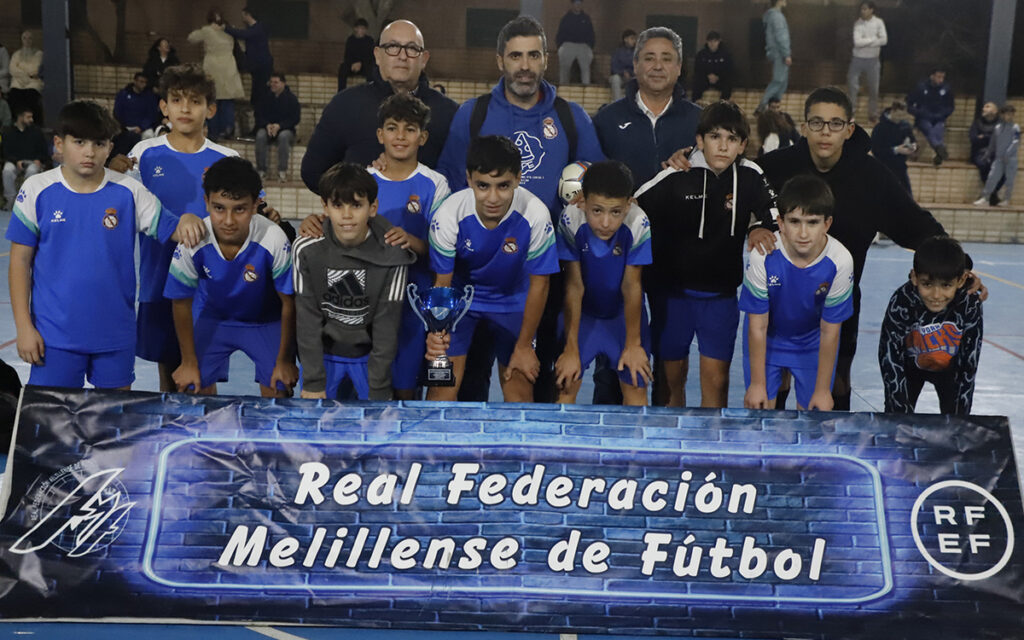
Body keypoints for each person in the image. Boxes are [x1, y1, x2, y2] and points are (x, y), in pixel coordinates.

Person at [757, 86, 985, 411]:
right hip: (783, 298)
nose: (825, 132)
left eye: (835, 123)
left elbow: (915, 223)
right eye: (817, 122)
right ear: (805, 127)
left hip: (840, 300)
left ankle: (834, 440)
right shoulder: (774, 167)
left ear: (849, 129)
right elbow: (732, 186)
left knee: (837, 380)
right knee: (778, 378)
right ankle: (777, 439)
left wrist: (960, 265)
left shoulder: (872, 177)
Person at [435, 15, 604, 403]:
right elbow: (450, 184)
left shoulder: (570, 117)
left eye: (533, 55)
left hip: (542, 272)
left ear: (546, 59)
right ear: (500, 61)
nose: (524, 66)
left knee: (531, 381)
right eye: (515, 56)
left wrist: (587, 197)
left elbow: (596, 183)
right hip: (475, 272)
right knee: (465, 383)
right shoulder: (473, 115)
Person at [5, 100, 204, 389]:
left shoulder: (128, 191)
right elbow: (19, 262)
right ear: (59, 144)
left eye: (98, 143)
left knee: (113, 417)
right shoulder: (37, 189)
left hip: (115, 335)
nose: (89, 152)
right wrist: (24, 327)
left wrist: (187, 219)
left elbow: (172, 227)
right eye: (79, 142)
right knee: (55, 416)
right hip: (54, 336)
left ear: (110, 147)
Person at [297, 93, 451, 400]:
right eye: (393, 128)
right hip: (363, 299)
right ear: (380, 135)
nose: (400, 136)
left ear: (422, 137)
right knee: (359, 385)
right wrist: (313, 222)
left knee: (404, 383)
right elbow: (337, 217)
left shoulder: (436, 184)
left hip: (412, 300)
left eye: (410, 129)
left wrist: (412, 242)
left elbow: (443, 249)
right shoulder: (363, 178)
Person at [634, 101, 777, 408]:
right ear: (700, 140)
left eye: (732, 139)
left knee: (717, 383)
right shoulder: (676, 173)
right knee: (670, 383)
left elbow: (776, 215)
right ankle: (670, 438)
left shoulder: (750, 175)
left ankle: (712, 440)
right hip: (671, 297)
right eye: (715, 137)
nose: (723, 146)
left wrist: (759, 226)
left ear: (742, 145)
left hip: (720, 298)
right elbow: (632, 207)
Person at [117, 63, 240, 392]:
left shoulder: (228, 158)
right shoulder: (143, 154)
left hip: (210, 288)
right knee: (170, 380)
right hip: (158, 282)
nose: (185, 108)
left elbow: (252, 214)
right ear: (164, 106)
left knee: (203, 379)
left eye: (195, 101)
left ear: (210, 109)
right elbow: (121, 207)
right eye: (177, 100)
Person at [425, 135, 559, 403]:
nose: (493, 197)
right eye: (483, 185)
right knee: (440, 386)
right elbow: (442, 283)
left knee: (520, 392)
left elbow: (540, 284)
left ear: (518, 178)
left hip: (514, 302)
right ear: (469, 179)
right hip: (459, 304)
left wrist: (524, 346)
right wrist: (437, 332)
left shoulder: (536, 214)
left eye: (503, 186)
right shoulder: (448, 214)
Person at [165, 156, 297, 398]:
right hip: (213, 318)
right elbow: (180, 302)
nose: (228, 221)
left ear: (256, 205)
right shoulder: (194, 240)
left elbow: (289, 302)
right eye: (219, 208)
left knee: (280, 386)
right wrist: (188, 362)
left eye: (239, 209)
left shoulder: (273, 238)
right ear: (206, 202)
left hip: (264, 321)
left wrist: (285, 360)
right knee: (192, 386)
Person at [293, 162, 415, 401]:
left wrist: (378, 388)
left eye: (356, 205)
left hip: (370, 358)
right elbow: (307, 320)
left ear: (373, 207)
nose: (347, 215)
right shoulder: (306, 249)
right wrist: (313, 381)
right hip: (324, 355)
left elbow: (386, 326)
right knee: (316, 420)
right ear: (325, 207)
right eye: (338, 205)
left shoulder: (394, 254)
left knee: (377, 420)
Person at [741, 175, 854, 411]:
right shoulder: (762, 255)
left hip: (811, 343)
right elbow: (758, 327)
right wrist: (757, 384)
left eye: (812, 222)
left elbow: (830, 330)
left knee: (813, 418)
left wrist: (823, 390)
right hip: (768, 340)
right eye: (794, 221)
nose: (803, 233)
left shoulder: (840, 260)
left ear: (827, 224)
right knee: (760, 412)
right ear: (780, 223)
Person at [302, 20, 457, 191]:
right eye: (392, 47)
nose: (402, 56)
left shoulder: (449, 112)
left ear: (424, 59)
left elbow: (460, 176)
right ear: (377, 55)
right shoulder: (345, 105)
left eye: (412, 48)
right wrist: (360, 187)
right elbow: (313, 171)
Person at [555, 161, 652, 406]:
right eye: (597, 211)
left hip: (623, 319)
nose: (606, 223)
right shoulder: (571, 218)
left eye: (616, 212)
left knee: (636, 385)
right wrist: (570, 348)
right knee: (565, 385)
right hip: (584, 318)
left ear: (628, 205)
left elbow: (631, 286)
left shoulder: (638, 222)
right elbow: (574, 286)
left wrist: (633, 344)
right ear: (582, 201)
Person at [879, 236, 982, 415]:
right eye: (927, 284)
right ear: (914, 277)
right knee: (897, 418)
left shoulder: (969, 304)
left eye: (946, 285)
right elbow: (889, 356)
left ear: (961, 280)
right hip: (908, 367)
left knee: (956, 419)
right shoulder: (902, 300)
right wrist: (899, 412)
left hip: (951, 370)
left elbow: (969, 362)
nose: (936, 295)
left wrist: (960, 416)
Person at [593, 26, 702, 187]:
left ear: (678, 67)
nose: (658, 66)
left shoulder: (701, 120)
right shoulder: (606, 120)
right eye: (649, 58)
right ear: (635, 65)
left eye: (666, 59)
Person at [188, 9, 245, 140]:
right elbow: (242, 45)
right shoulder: (230, 29)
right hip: (228, 66)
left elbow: (191, 38)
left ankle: (213, 131)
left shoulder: (207, 30)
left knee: (212, 100)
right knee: (228, 101)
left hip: (212, 67)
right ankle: (228, 129)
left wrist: (204, 29)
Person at [254, 72, 300, 182]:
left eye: (276, 82)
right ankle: (261, 171)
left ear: (283, 84)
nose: (273, 85)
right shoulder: (264, 97)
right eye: (271, 82)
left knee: (283, 137)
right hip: (267, 128)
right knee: (260, 136)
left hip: (286, 129)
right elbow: (258, 115)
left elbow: (295, 118)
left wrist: (280, 126)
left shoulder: (291, 99)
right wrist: (267, 125)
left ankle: (282, 171)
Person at [847, 1, 887, 124]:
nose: (863, 11)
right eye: (862, 9)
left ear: (871, 10)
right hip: (857, 58)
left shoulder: (878, 22)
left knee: (874, 88)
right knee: (852, 86)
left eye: (865, 9)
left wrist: (866, 41)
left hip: (873, 60)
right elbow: (857, 42)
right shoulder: (858, 23)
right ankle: (851, 114)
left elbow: (884, 40)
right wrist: (874, 39)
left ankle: (872, 114)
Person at [226, 6, 274, 106]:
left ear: (248, 15)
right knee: (257, 88)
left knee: (261, 89)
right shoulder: (254, 28)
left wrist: (226, 28)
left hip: (262, 65)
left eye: (243, 15)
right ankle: (257, 106)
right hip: (257, 65)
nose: (242, 18)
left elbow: (243, 34)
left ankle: (261, 107)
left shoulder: (258, 28)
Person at [1, 106, 48, 207]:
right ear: (20, 117)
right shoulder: (8, 132)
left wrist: (38, 159)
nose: (31, 120)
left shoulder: (36, 131)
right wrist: (16, 161)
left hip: (32, 161)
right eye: (28, 117)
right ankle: (11, 200)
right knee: (7, 170)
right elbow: (5, 152)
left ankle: (26, 201)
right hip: (14, 161)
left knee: (32, 171)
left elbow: (44, 150)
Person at [907, 68, 954, 166]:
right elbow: (910, 104)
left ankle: (939, 151)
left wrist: (944, 114)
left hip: (939, 118)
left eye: (942, 77)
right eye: (938, 77)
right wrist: (919, 112)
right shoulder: (921, 87)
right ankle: (939, 148)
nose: (941, 80)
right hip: (923, 118)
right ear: (932, 76)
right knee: (929, 130)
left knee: (938, 131)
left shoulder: (946, 89)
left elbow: (950, 106)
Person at [974, 105, 1019, 207]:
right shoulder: (997, 128)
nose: (1010, 116)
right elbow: (993, 143)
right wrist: (987, 154)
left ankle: (1006, 199)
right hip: (999, 159)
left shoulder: (1015, 127)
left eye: (1012, 114)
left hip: (1010, 159)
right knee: (992, 178)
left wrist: (1008, 153)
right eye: (1008, 114)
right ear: (1002, 115)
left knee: (1009, 180)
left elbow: (1015, 142)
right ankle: (985, 198)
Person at [870, 101, 916, 195]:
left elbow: (912, 140)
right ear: (892, 111)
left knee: (907, 197)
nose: (900, 118)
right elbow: (876, 150)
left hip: (900, 167)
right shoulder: (880, 127)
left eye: (903, 116)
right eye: (898, 115)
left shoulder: (905, 126)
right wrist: (896, 150)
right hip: (883, 167)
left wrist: (913, 146)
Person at [111, 73, 161, 157]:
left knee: (149, 136)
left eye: (145, 82)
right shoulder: (124, 94)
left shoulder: (149, 96)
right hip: (126, 127)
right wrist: (123, 126)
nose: (143, 85)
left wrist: (141, 127)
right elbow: (117, 112)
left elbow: (152, 114)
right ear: (135, 81)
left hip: (143, 128)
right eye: (141, 82)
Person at [758, 0, 791, 112]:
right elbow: (781, 35)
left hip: (774, 51)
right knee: (779, 81)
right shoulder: (777, 17)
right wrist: (786, 53)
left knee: (781, 82)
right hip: (779, 52)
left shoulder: (771, 15)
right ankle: (762, 107)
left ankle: (771, 108)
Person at [556, 0, 595, 85]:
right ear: (572, 5)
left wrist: (590, 46)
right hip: (568, 44)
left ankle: (586, 87)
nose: (578, 6)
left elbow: (591, 34)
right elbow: (560, 34)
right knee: (564, 68)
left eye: (579, 4)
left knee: (586, 69)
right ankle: (563, 87)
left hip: (583, 45)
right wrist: (560, 46)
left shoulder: (586, 18)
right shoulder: (566, 18)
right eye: (576, 4)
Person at [969, 101, 1002, 204]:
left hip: (995, 153)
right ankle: (992, 194)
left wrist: (984, 137)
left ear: (995, 111)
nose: (984, 109)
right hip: (980, 153)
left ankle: (990, 193)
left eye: (987, 107)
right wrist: (990, 138)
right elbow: (973, 139)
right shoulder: (977, 123)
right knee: (984, 164)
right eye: (984, 107)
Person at [8, 30, 43, 125]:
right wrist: (26, 75)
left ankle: (34, 124)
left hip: (33, 83)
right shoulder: (16, 54)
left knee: (31, 96)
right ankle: (16, 123)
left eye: (29, 38)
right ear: (21, 40)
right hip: (19, 82)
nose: (27, 40)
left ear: (33, 40)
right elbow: (12, 69)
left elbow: (34, 69)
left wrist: (21, 68)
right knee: (14, 95)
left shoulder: (39, 54)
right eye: (24, 38)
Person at [692, 31, 733, 101]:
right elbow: (698, 69)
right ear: (707, 42)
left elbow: (729, 69)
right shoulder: (701, 54)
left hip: (720, 79)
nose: (712, 44)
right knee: (697, 83)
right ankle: (695, 103)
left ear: (719, 41)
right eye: (710, 41)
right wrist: (708, 75)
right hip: (705, 79)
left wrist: (718, 76)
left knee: (728, 83)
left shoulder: (725, 54)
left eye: (715, 41)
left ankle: (723, 104)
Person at [338, 18, 375, 91]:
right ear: (355, 29)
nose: (362, 31)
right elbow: (347, 55)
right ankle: (341, 92)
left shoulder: (369, 40)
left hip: (364, 66)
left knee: (372, 69)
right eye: (360, 28)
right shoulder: (350, 40)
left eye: (364, 29)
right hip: (352, 65)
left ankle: (370, 92)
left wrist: (361, 63)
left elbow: (371, 57)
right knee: (343, 68)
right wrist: (352, 63)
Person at [608, 29, 636, 102]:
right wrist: (623, 72)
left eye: (634, 39)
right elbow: (614, 67)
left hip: (631, 77)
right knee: (615, 79)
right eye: (632, 38)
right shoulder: (618, 52)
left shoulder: (636, 53)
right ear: (625, 39)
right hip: (619, 77)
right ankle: (617, 102)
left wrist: (630, 73)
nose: (634, 41)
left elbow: (638, 67)